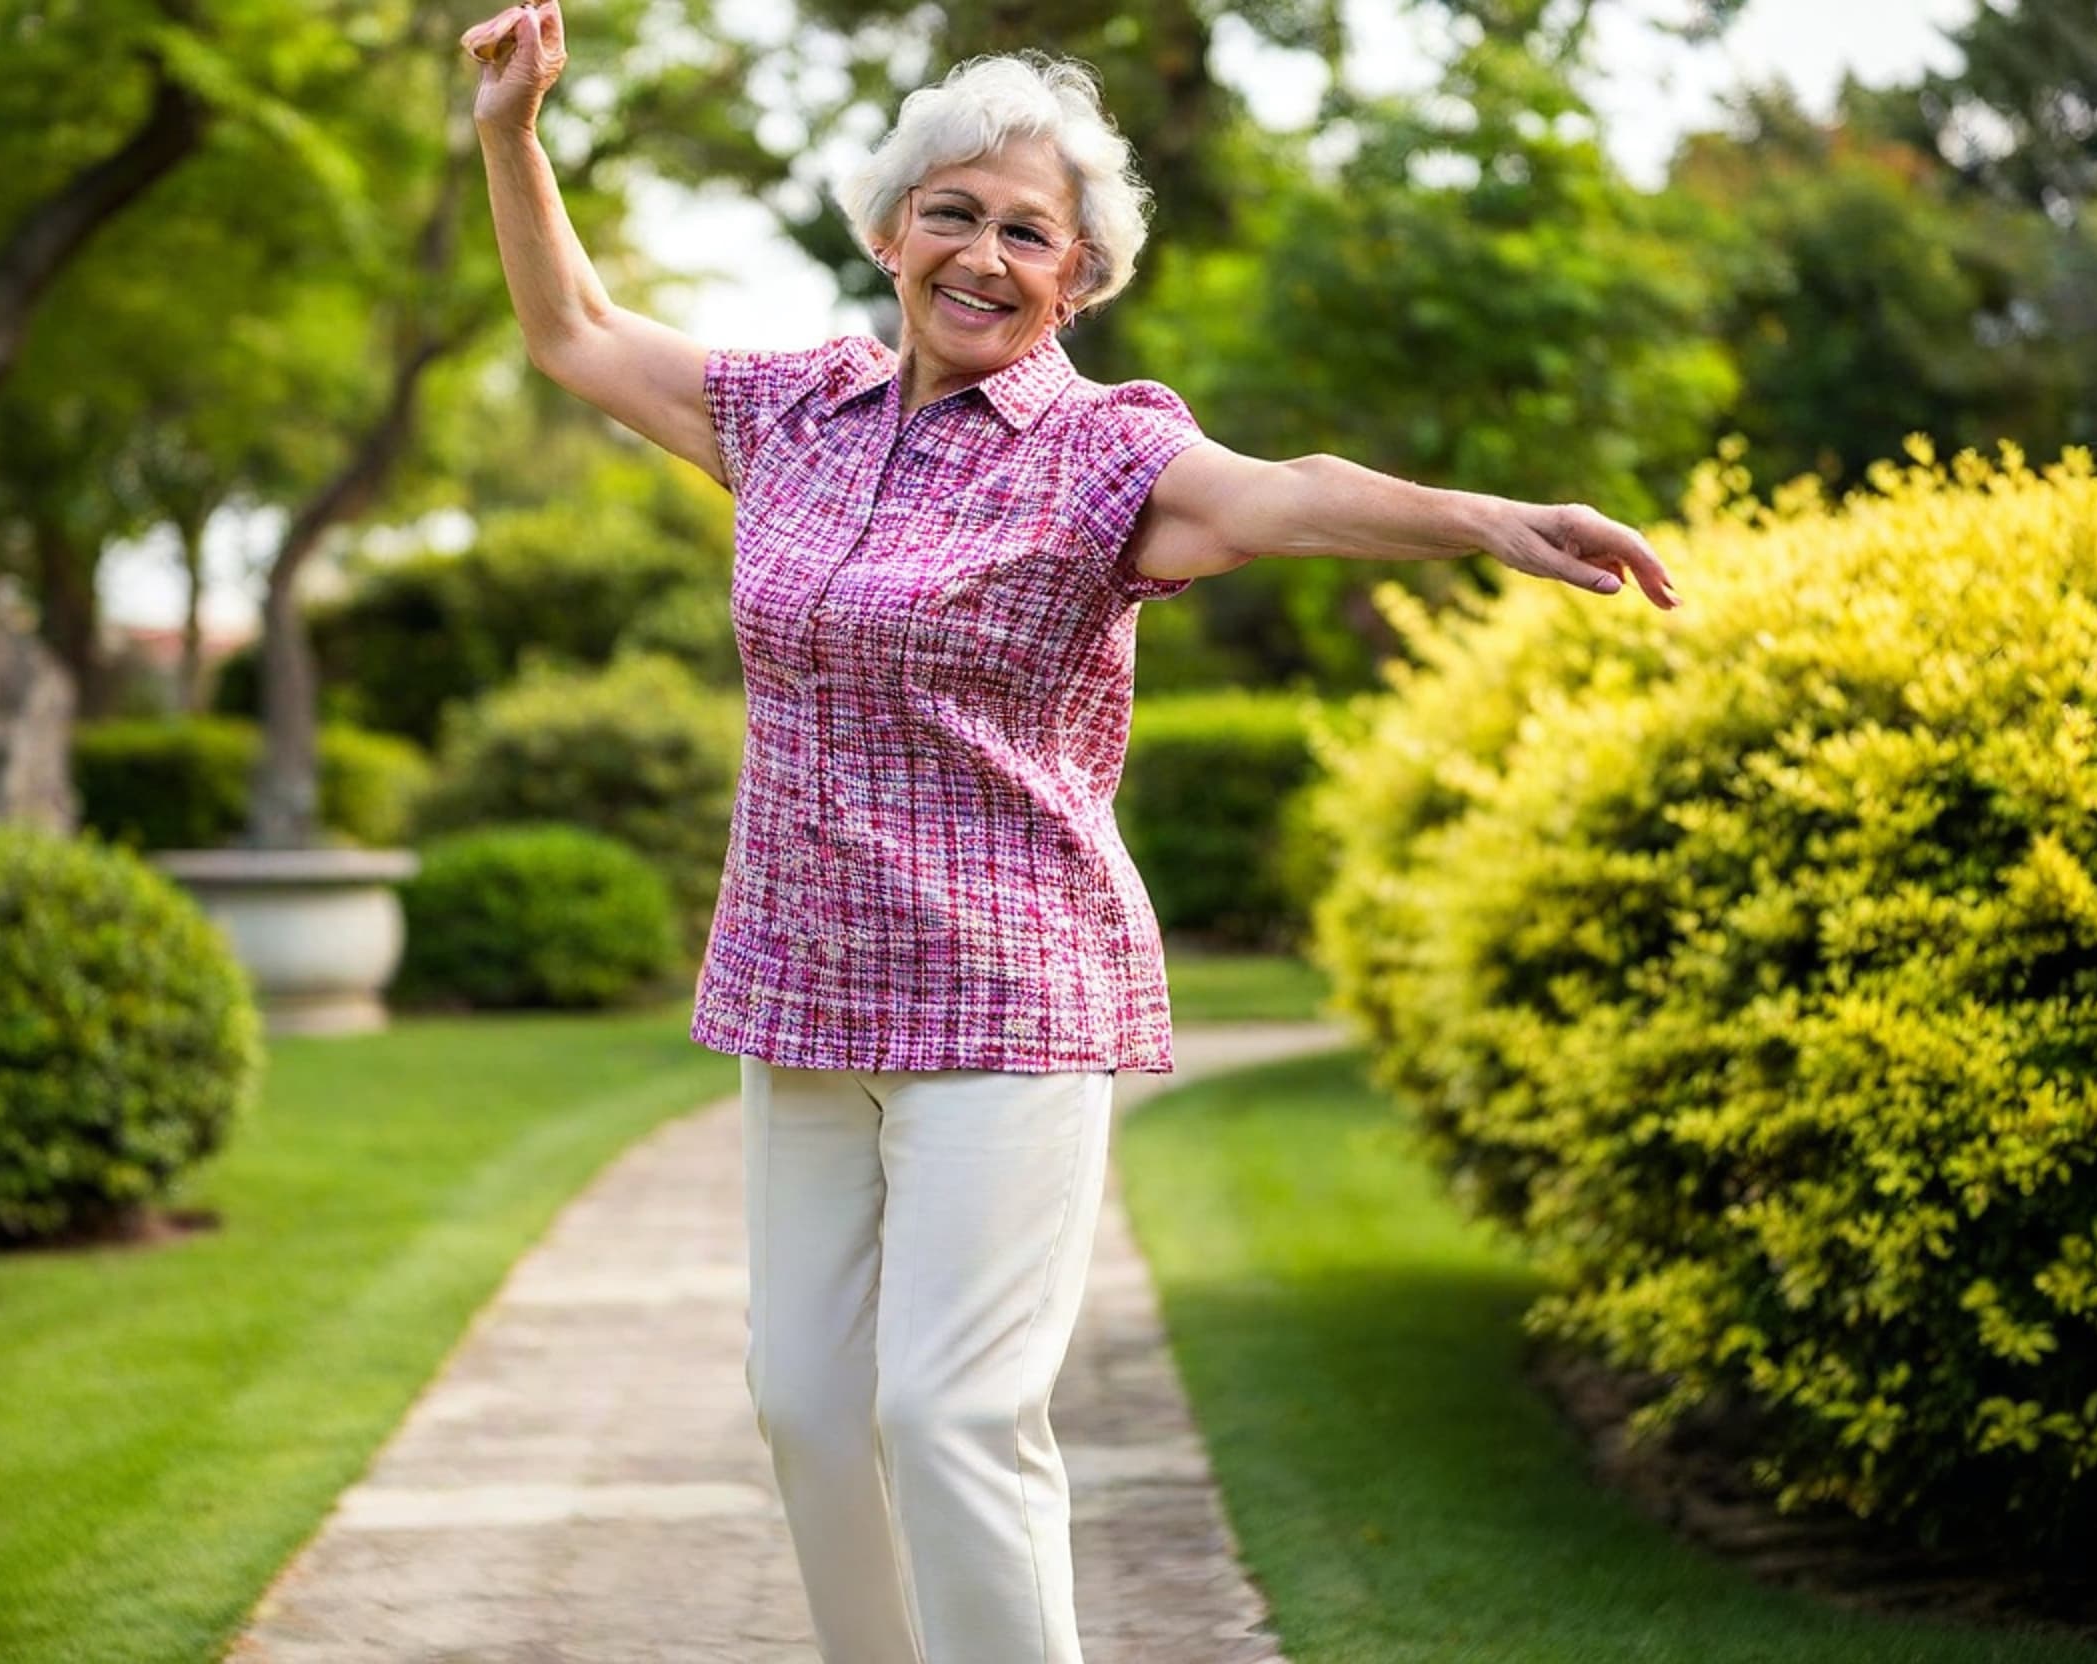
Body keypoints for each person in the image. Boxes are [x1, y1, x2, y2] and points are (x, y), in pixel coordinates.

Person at [462, 6, 1677, 1660]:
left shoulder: (1111, 458)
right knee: (808, 1410)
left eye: (1028, 231)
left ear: (1079, 277)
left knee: (952, 1417)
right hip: (803, 983)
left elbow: (1289, 488)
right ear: (891, 230)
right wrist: (510, 132)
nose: (983, 254)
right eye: (951, 212)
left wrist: (1490, 522)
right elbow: (578, 330)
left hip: (1005, 989)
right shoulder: (793, 415)